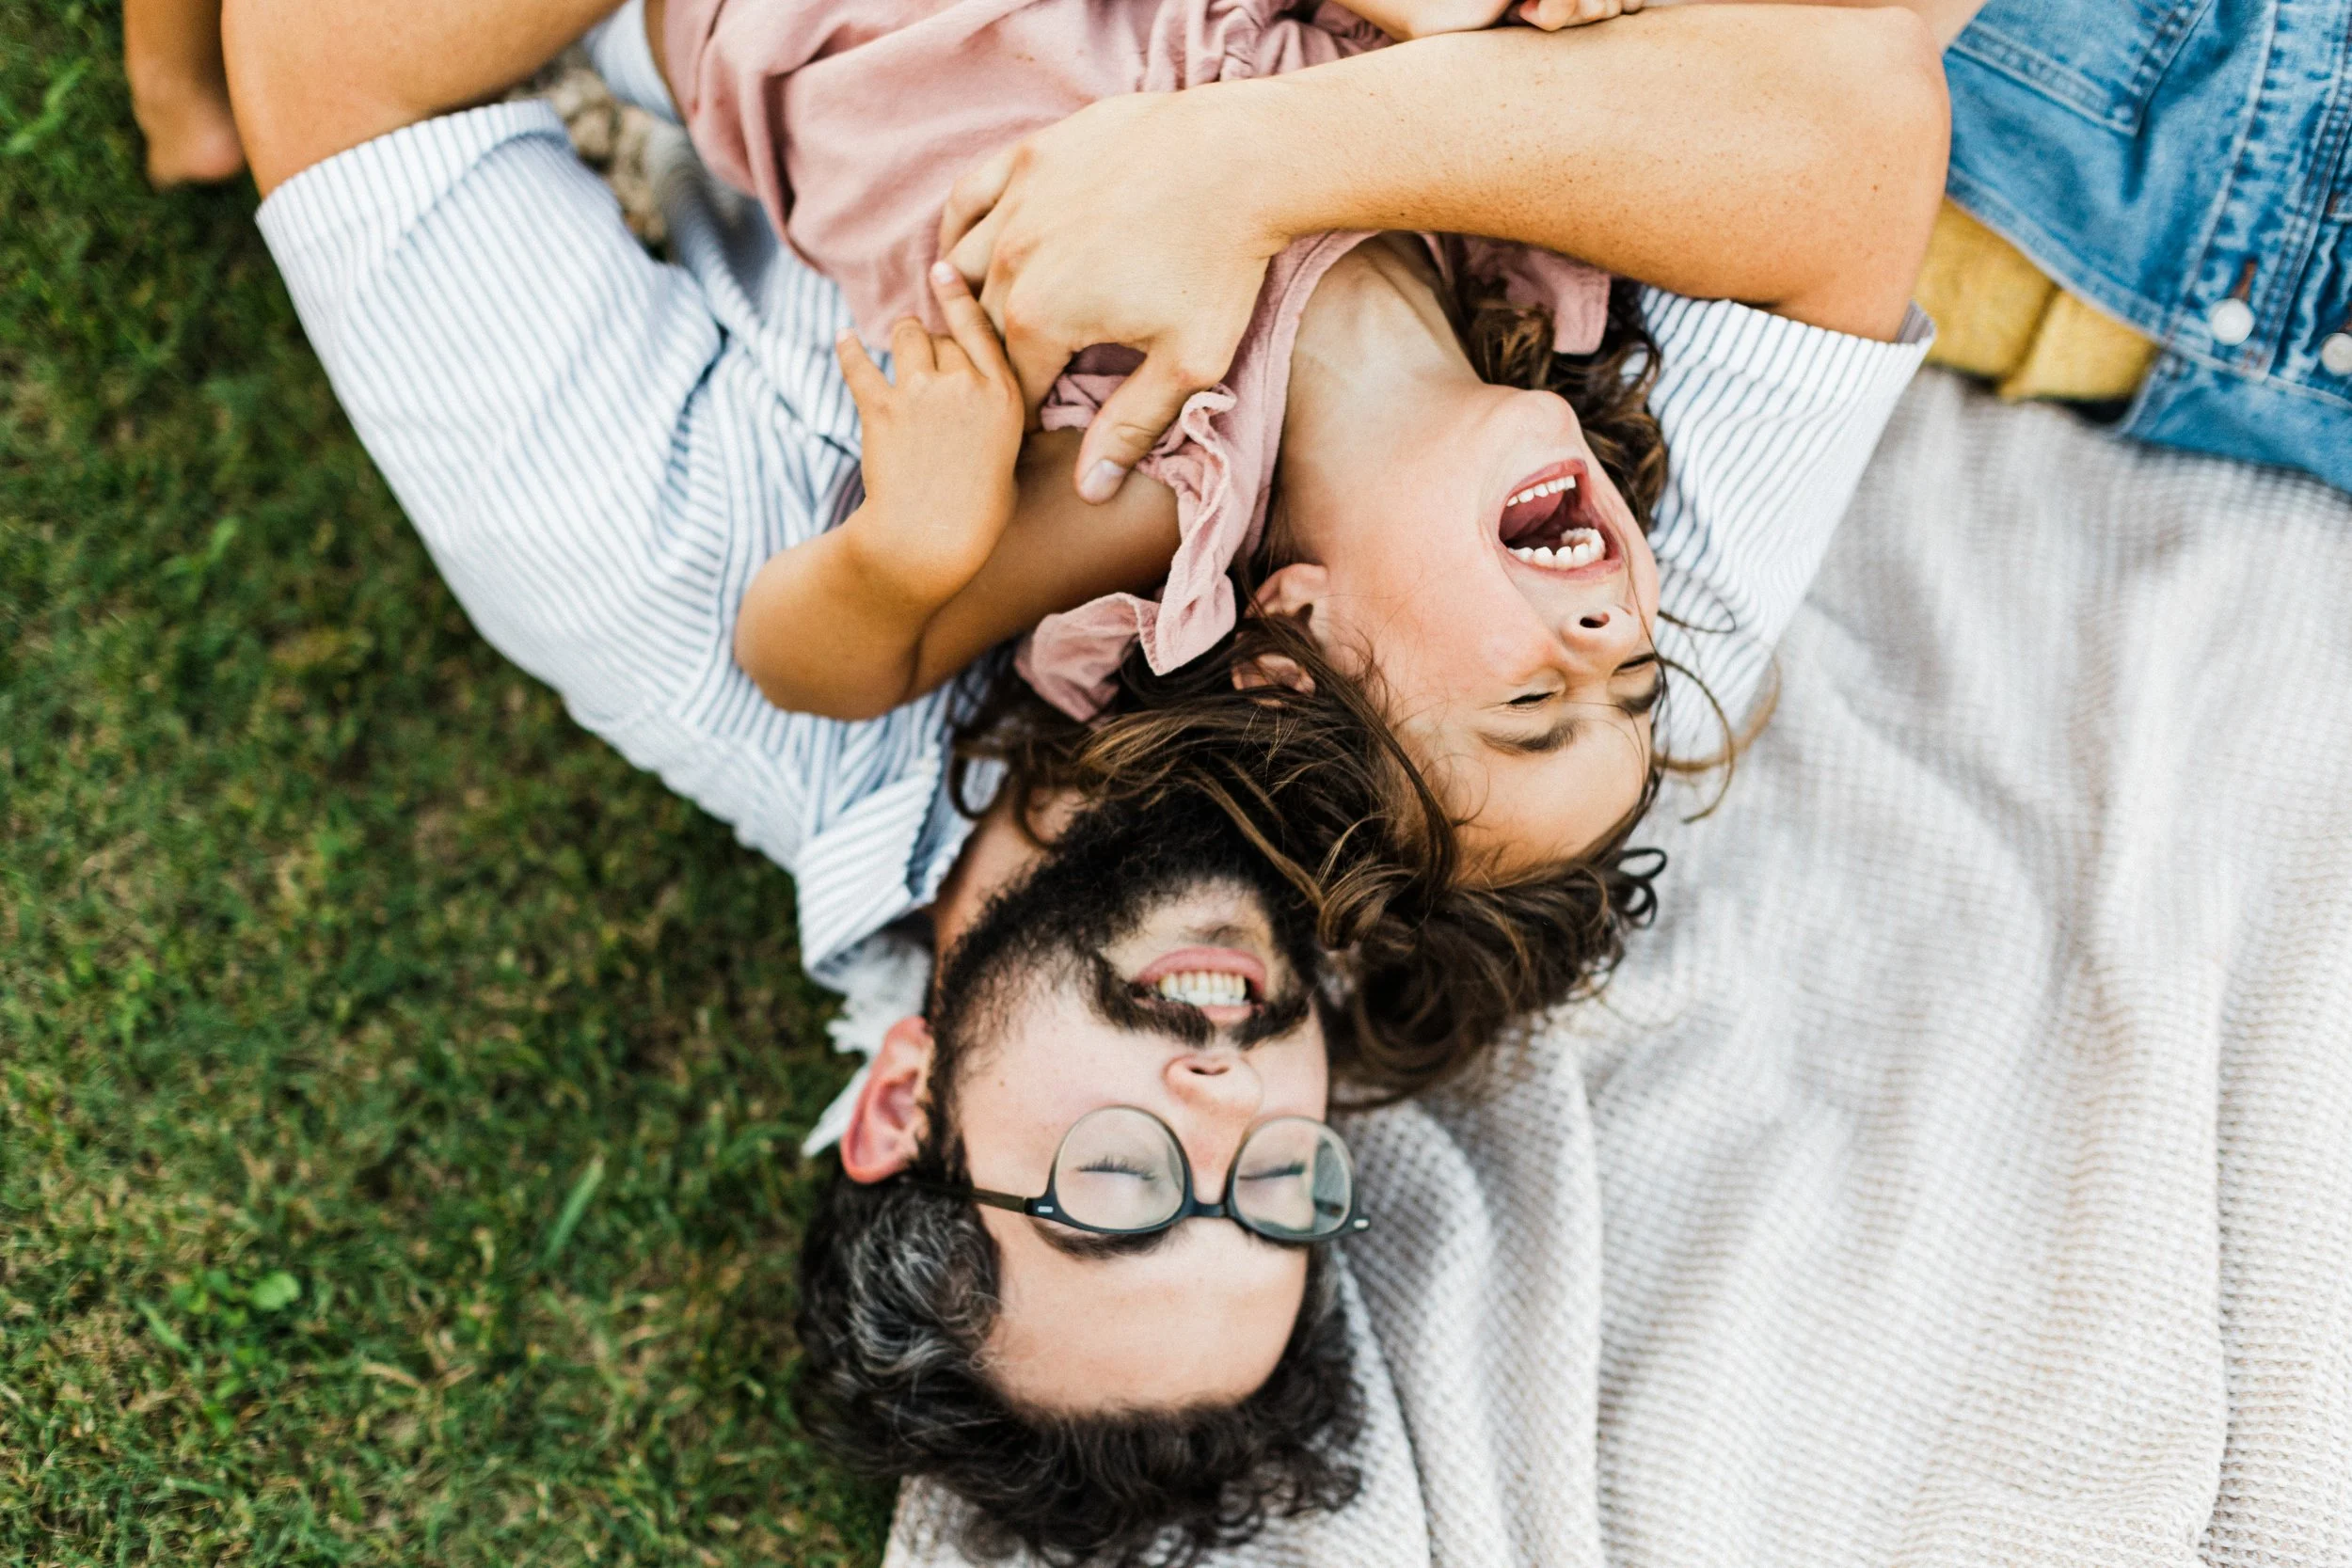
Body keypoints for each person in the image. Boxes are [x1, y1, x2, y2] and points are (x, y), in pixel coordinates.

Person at [221, 0, 1944, 1553]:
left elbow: (331, 64)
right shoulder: (1519, 745)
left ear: (905, 1109)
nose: (1223, 1107)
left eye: (1115, 1189)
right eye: (1279, 1190)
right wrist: (1253, 163)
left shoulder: (709, 600)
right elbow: (1855, 126)